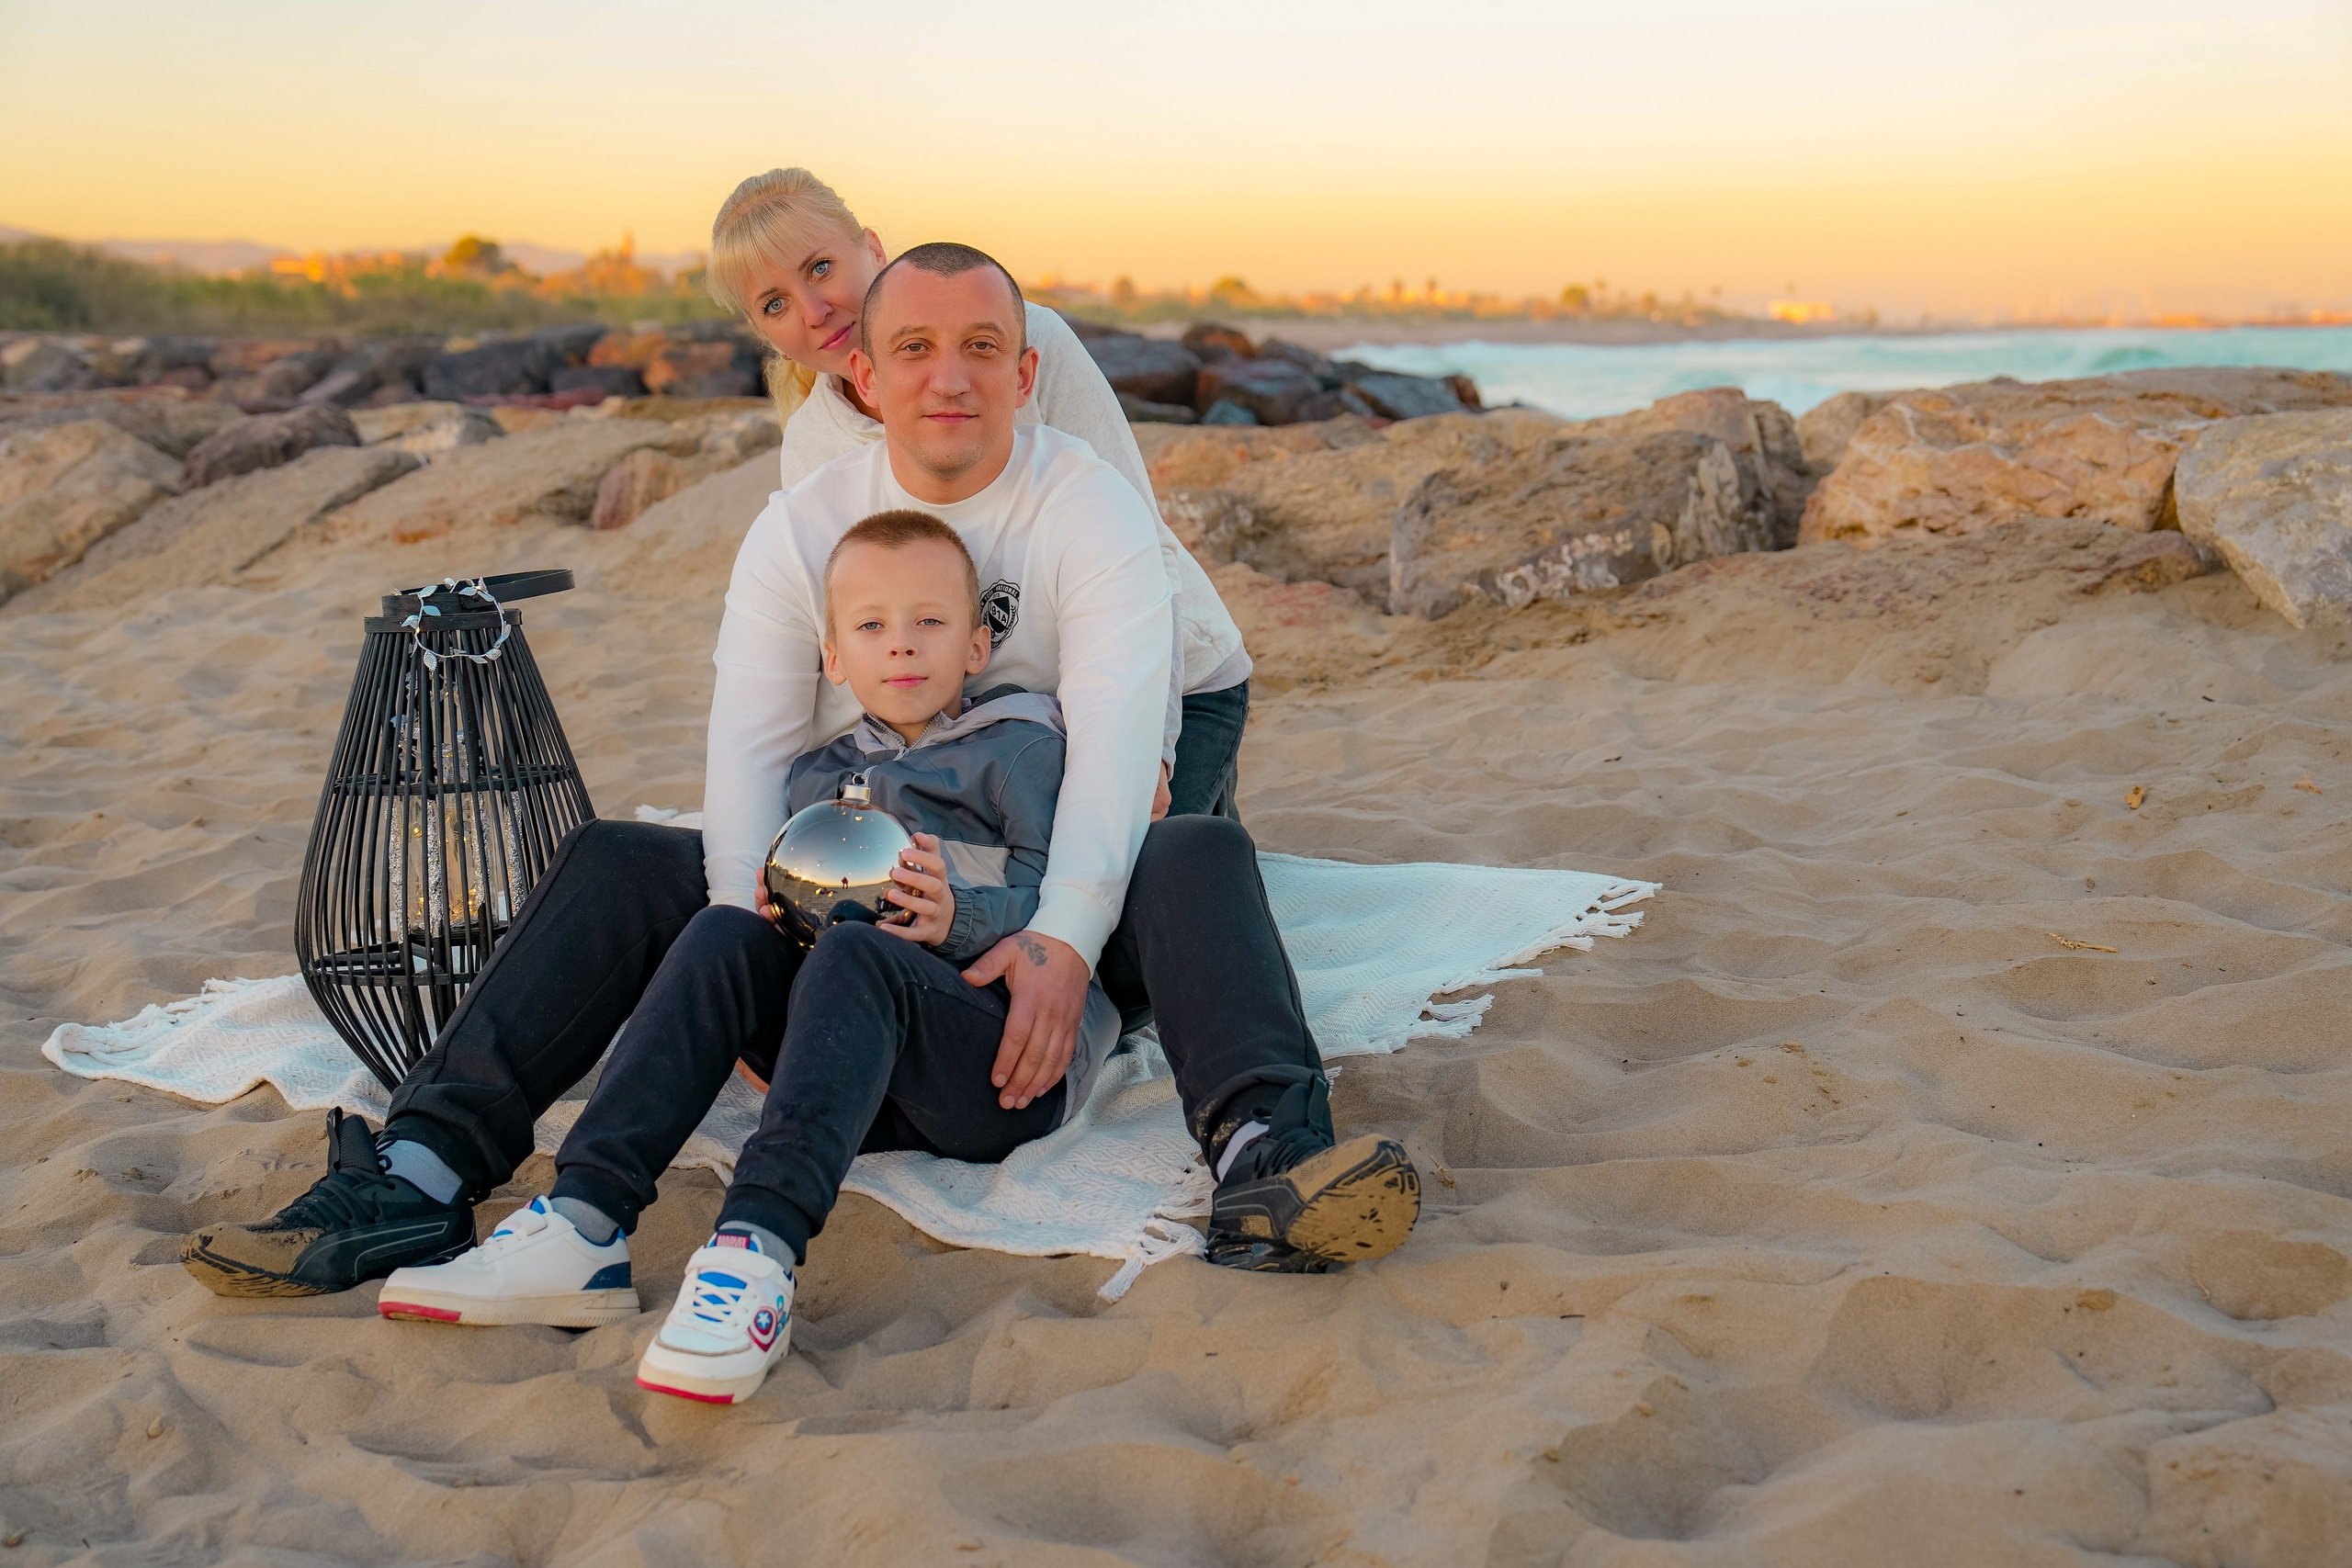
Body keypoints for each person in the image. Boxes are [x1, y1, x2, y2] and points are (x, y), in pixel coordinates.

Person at [177, 243, 1419, 1315]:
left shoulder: (1087, 510)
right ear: (863, 376)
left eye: (985, 346)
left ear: (1026, 374)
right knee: (622, 856)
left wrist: (1059, 944)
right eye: (917, 346)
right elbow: (752, 750)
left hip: (1029, 894)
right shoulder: (805, 522)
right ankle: (423, 1173)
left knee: (1194, 850)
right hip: (857, 893)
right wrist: (748, 946)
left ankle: (1267, 1159)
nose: (951, 374)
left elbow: (1110, 754)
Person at [377, 511, 1136, 1403]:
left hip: (988, 1064)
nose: (901, 646)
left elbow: (1076, 902)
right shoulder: (818, 777)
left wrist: (956, 917)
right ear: (833, 658)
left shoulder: (1017, 752)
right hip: (844, 1067)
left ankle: (753, 1255)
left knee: (859, 954)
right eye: (871, 626)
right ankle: (583, 1220)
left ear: (976, 646)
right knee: (728, 924)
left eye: (929, 622)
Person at [708, 169, 1251, 818]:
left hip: (1166, 679)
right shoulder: (810, 445)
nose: (812, 310)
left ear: (874, 251)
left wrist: (1151, 749)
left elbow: (1144, 544)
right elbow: (853, 617)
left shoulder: (1020, 339)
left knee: (1163, 873)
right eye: (774, 304)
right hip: (994, 714)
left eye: (821, 267)